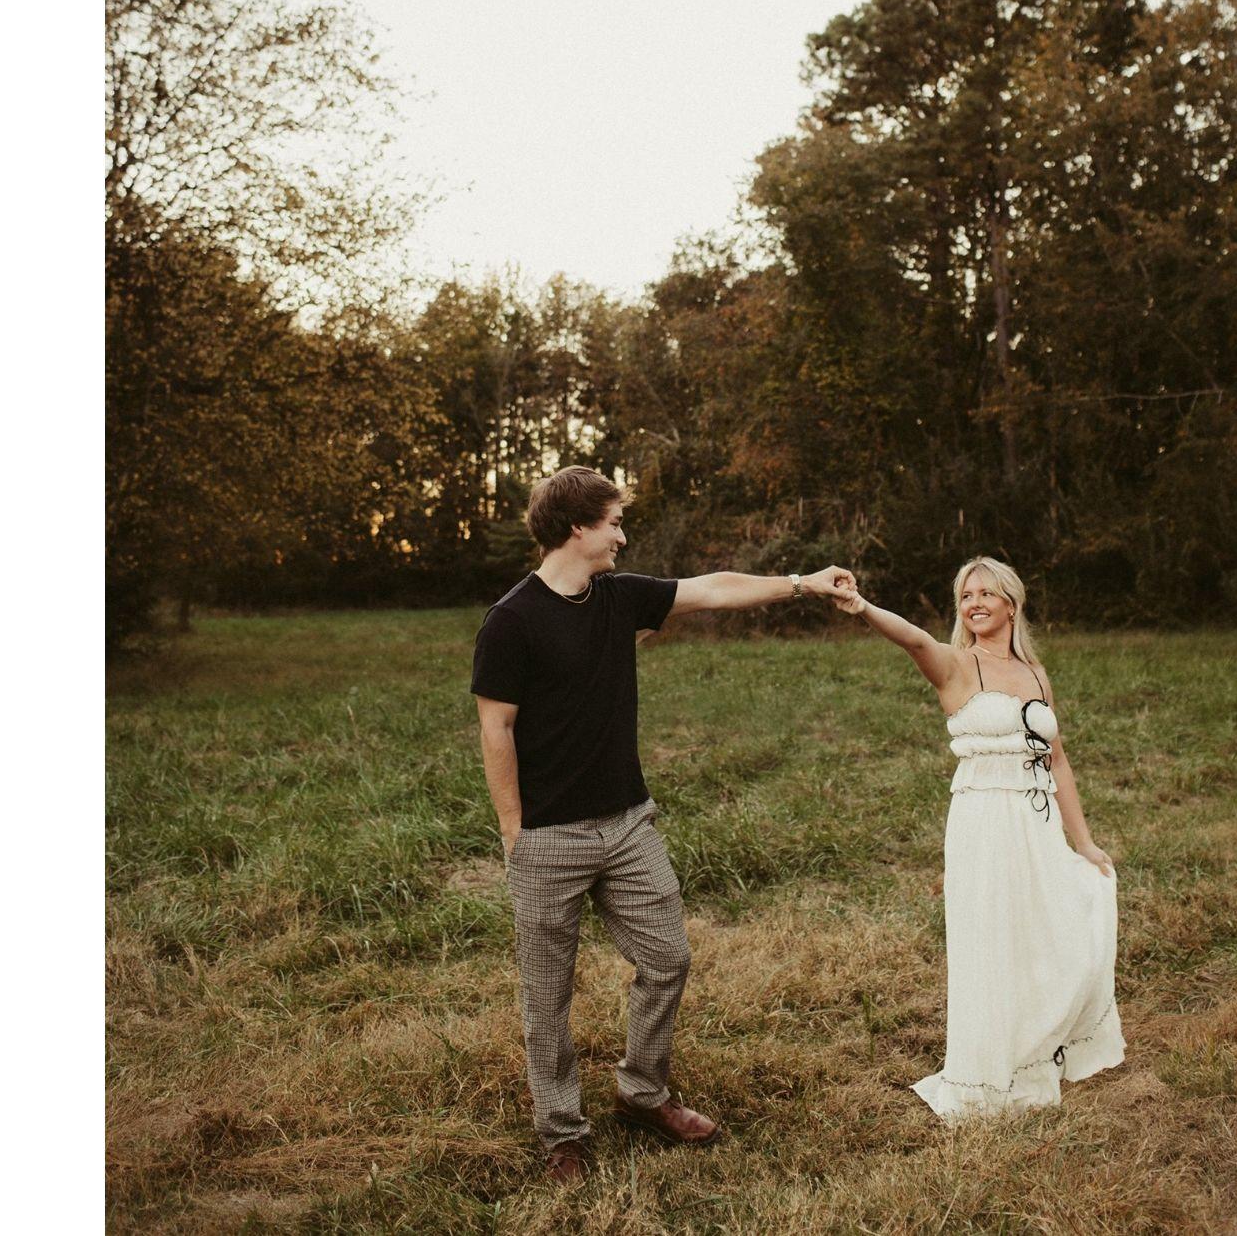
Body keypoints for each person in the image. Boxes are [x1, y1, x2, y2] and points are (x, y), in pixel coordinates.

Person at [472, 466, 855, 1182]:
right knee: (547, 997)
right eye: (614, 522)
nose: (621, 536)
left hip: (627, 824)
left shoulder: (617, 598)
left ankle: (642, 1094)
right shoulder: (512, 620)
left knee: (668, 958)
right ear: (578, 526)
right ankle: (562, 1134)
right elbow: (496, 728)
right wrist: (513, 830)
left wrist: (802, 583)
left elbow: (712, 588)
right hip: (548, 838)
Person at [833, 555, 1124, 1114]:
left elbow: (1057, 761)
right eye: (966, 596)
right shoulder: (956, 665)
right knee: (991, 937)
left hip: (1037, 821)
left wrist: (1083, 841)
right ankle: (987, 1069)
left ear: (1011, 604)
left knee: (1051, 927)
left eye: (987, 593)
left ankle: (1037, 1044)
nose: (975, 604)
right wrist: (864, 607)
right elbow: (914, 639)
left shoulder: (1036, 673)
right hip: (984, 820)